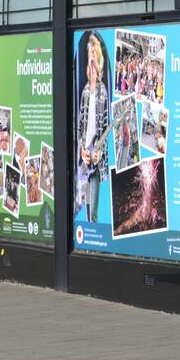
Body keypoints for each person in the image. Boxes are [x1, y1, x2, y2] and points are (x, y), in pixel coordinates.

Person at [76, 34, 109, 222]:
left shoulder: (103, 91)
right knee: (83, 206)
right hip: (84, 158)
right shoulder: (85, 92)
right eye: (89, 64)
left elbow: (105, 126)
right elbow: (81, 125)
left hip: (96, 157)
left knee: (94, 210)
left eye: (94, 63)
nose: (91, 69)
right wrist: (81, 149)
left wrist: (100, 152)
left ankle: (94, 245)